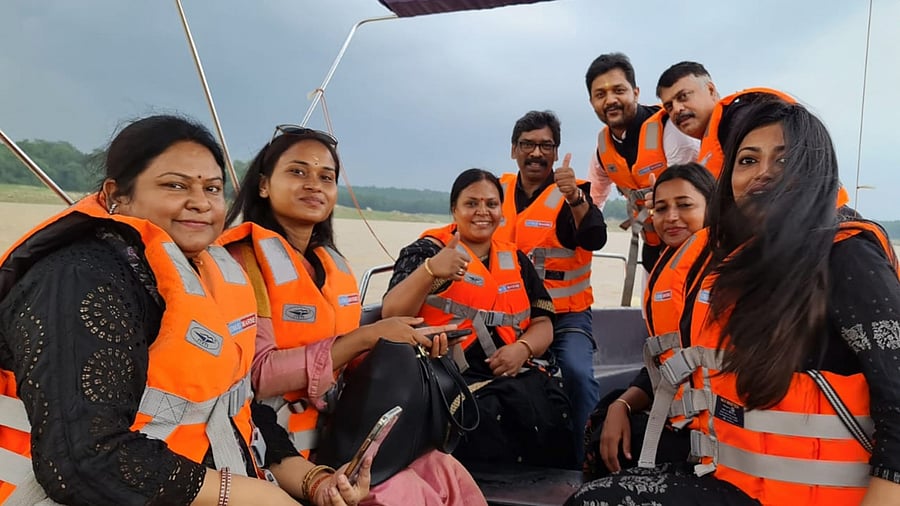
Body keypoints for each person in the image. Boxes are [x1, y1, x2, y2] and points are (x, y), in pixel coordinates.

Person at [0, 115, 370, 505]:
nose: (200, 202)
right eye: (175, 185)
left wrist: (314, 481)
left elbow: (235, 409)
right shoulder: (78, 278)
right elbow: (81, 459)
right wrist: (249, 495)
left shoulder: (210, 273)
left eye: (212, 188)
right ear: (116, 195)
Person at [568, 99, 900, 506]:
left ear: (816, 172)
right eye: (747, 160)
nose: (763, 173)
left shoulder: (845, 256)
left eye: (784, 159)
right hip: (736, 484)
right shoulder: (737, 266)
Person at [219, 125, 486, 505]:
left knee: (445, 470)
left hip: (345, 429)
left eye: (326, 177)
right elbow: (258, 377)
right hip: (278, 445)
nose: (314, 184)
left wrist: (411, 350)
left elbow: (347, 362)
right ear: (263, 185)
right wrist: (368, 336)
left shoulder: (331, 264)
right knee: (403, 491)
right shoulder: (242, 263)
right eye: (298, 172)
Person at [382, 168, 576, 468]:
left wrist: (521, 349)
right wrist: (430, 270)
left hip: (512, 370)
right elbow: (391, 314)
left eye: (491, 204)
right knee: (487, 417)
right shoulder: (425, 253)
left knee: (555, 404)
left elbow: (543, 322)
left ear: (501, 211)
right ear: (454, 210)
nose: (482, 212)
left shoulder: (516, 259)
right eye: (471, 203)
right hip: (449, 375)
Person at [582, 163, 716, 479]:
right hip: (680, 415)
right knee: (606, 412)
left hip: (713, 442)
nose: (671, 216)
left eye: (684, 205)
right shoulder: (669, 264)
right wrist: (623, 406)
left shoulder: (726, 273)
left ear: (714, 207)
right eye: (661, 207)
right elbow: (666, 363)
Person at [492, 110, 607, 466]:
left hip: (565, 318)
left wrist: (575, 198)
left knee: (576, 373)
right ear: (514, 149)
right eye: (528, 144)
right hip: (509, 317)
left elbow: (595, 236)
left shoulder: (571, 196)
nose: (537, 153)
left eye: (546, 145)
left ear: (557, 153)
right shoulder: (495, 192)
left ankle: (586, 459)